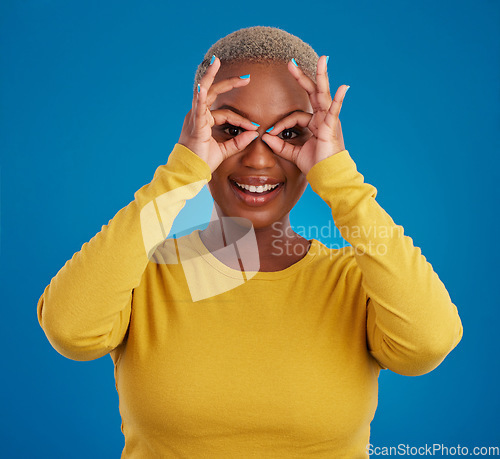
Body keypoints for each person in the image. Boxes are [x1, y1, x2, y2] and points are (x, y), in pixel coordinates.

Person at [37, 26, 463, 457]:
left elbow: (426, 346)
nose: (258, 158)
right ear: (198, 128)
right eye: (229, 128)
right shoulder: (141, 275)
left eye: (290, 134)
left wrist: (339, 178)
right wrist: (181, 173)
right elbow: (70, 332)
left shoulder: (360, 284)